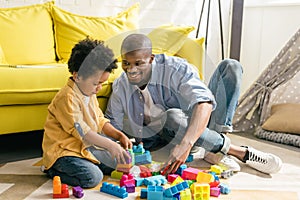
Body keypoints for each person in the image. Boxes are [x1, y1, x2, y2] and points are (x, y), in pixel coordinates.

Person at [105, 33, 282, 174]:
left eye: (138, 63)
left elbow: (204, 102)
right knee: (172, 118)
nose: (131, 70)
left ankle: (215, 151)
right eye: (126, 63)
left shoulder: (175, 68)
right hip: (168, 135)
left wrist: (186, 144)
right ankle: (237, 151)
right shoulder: (121, 85)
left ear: (151, 59)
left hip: (192, 130)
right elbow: (111, 123)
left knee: (231, 67)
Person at [41, 37, 132, 188]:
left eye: (102, 83)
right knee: (93, 177)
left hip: (85, 147)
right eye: (96, 83)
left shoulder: (89, 92)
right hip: (64, 152)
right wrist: (110, 145)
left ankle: (91, 162)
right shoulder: (67, 98)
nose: (99, 88)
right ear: (77, 76)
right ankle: (51, 169)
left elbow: (100, 120)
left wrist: (118, 135)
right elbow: (83, 132)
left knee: (121, 161)